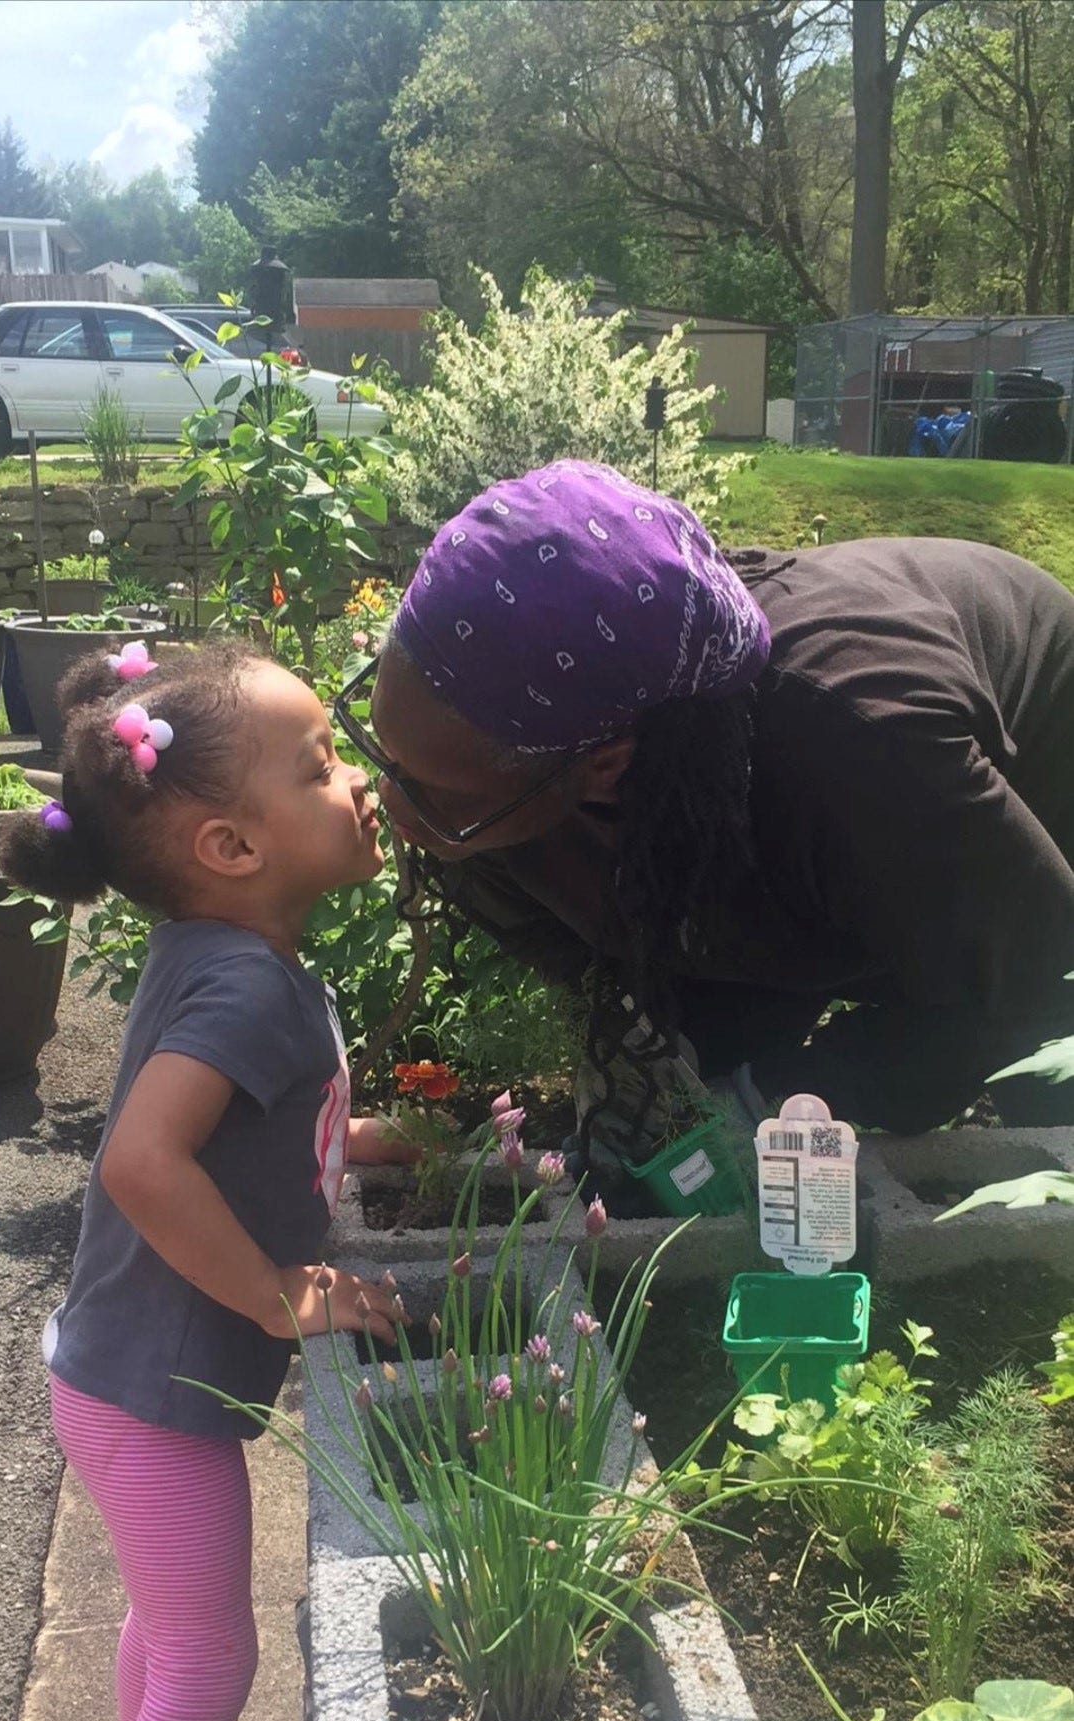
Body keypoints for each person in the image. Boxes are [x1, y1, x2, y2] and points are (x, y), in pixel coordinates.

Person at [330, 457, 1074, 1197]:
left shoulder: (861, 739)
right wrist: (657, 1062)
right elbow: (627, 943)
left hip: (1034, 801)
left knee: (1042, 1089)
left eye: (434, 791)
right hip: (827, 824)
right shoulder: (486, 768)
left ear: (604, 766)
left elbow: (1036, 972)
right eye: (385, 755)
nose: (392, 804)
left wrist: (774, 1097)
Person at [1, 639, 406, 1721]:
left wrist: (358, 1130)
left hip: (122, 1373)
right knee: (211, 1660)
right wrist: (285, 1294)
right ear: (230, 848)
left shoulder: (220, 951)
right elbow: (141, 1160)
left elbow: (247, 1110)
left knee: (167, 1632)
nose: (357, 780)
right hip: (153, 1395)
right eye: (322, 766)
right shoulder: (247, 982)